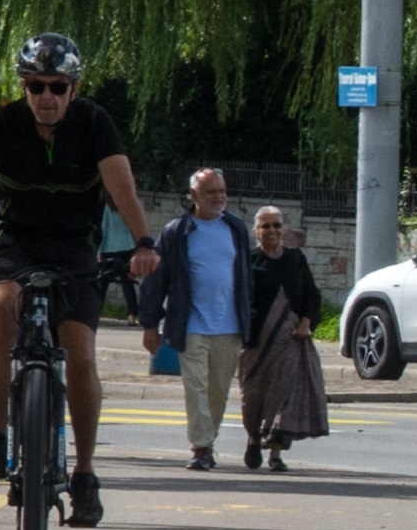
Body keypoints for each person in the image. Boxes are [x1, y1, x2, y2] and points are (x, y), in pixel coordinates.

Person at [0, 33, 157, 526]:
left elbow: (121, 186)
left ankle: (84, 474)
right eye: (36, 86)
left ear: (73, 87)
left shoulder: (94, 123)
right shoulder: (3, 123)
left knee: (80, 357)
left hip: (73, 248)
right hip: (12, 243)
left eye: (58, 87)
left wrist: (145, 243)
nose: (47, 96)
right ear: (24, 87)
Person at [139, 168, 253, 471]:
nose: (218, 197)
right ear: (193, 196)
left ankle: (207, 441)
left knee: (218, 390)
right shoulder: (177, 232)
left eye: (221, 191)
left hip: (229, 326)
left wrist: (250, 321)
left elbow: (246, 279)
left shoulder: (236, 229)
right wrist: (150, 324)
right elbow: (156, 279)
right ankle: (201, 447)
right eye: (210, 192)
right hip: (191, 324)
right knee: (196, 387)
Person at [239, 207, 326, 472]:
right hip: (257, 342)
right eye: (266, 226)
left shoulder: (294, 259)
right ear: (257, 231)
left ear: (284, 229)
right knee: (253, 396)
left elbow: (312, 296)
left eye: (276, 225)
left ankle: (275, 453)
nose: (272, 231)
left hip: (291, 340)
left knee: (285, 395)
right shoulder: (248, 260)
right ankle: (254, 436)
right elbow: (239, 299)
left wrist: (306, 322)